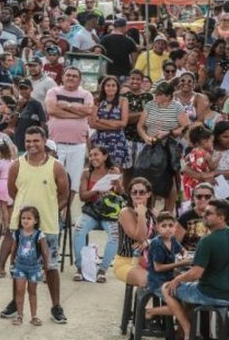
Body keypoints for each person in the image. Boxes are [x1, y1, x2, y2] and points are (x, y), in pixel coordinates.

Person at [1, 126, 69, 324]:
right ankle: (16, 302)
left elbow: (64, 194)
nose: (31, 144)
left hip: (47, 226)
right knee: (18, 267)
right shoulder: (17, 165)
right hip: (21, 229)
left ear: (44, 141)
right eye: (28, 141)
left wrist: (51, 210)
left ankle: (56, 306)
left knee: (51, 267)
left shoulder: (56, 166)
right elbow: (13, 192)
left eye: (36, 140)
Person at [163, 198, 229, 339]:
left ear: (221, 218)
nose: (203, 215)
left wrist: (177, 279)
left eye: (208, 213)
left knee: (167, 287)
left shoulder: (207, 241)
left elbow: (196, 274)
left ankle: (187, 330)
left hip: (210, 294)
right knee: (187, 290)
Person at [136, 81, 189, 211]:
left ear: (168, 95)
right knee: (147, 177)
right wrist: (145, 137)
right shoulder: (150, 105)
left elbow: (186, 126)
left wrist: (169, 132)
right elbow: (140, 126)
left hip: (168, 147)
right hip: (151, 145)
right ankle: (149, 209)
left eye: (159, 94)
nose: (156, 96)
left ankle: (168, 212)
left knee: (168, 180)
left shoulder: (177, 107)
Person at [72, 146, 121, 283]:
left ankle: (102, 270)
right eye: (91, 155)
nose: (93, 158)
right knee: (78, 231)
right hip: (92, 210)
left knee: (115, 235)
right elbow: (82, 196)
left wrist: (116, 187)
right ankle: (80, 267)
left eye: (96, 155)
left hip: (109, 211)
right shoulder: (87, 173)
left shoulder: (113, 171)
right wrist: (97, 189)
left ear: (105, 156)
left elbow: (120, 193)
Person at [44, 66, 93, 193]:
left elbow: (88, 110)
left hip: (77, 145)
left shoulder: (86, 94)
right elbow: (51, 110)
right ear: (63, 77)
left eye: (74, 76)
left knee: (73, 183)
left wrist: (67, 106)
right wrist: (78, 113)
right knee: (50, 180)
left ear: (80, 80)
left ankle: (67, 212)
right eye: (68, 75)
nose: (71, 78)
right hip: (55, 144)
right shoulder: (53, 91)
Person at [9, 206, 50, 327]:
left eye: (29, 218)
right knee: (19, 291)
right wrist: (11, 264)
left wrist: (46, 268)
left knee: (32, 291)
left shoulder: (39, 235)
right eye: (23, 218)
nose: (25, 221)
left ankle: (34, 316)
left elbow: (44, 251)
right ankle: (19, 315)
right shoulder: (17, 233)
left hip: (34, 268)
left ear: (35, 220)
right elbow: (13, 249)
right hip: (19, 267)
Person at [112, 177, 157, 288]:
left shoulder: (154, 213)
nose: (137, 195)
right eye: (134, 192)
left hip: (150, 261)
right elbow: (140, 238)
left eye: (142, 192)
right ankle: (141, 306)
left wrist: (149, 242)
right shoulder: (126, 212)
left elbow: (166, 237)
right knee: (148, 280)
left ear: (148, 194)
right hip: (127, 262)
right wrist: (141, 215)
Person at [144, 211, 188, 320]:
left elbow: (183, 250)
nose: (168, 228)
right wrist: (180, 263)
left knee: (187, 301)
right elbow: (157, 268)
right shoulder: (157, 243)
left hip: (170, 278)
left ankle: (179, 329)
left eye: (171, 225)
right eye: (164, 226)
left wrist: (185, 255)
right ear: (157, 228)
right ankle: (151, 311)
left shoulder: (172, 239)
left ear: (175, 227)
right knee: (180, 306)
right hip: (157, 281)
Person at [90, 76, 130, 169]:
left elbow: (123, 123)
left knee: (115, 170)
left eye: (113, 85)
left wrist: (100, 120)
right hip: (100, 140)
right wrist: (115, 125)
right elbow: (92, 123)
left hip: (117, 141)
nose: (111, 88)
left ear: (117, 87)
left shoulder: (123, 101)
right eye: (108, 85)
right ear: (103, 87)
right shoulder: (97, 101)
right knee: (99, 168)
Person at [175, 182, 214, 252]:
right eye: (199, 196)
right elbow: (175, 243)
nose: (203, 199)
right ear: (193, 198)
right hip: (190, 257)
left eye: (207, 196)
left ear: (213, 198)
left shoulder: (220, 215)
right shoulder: (185, 217)